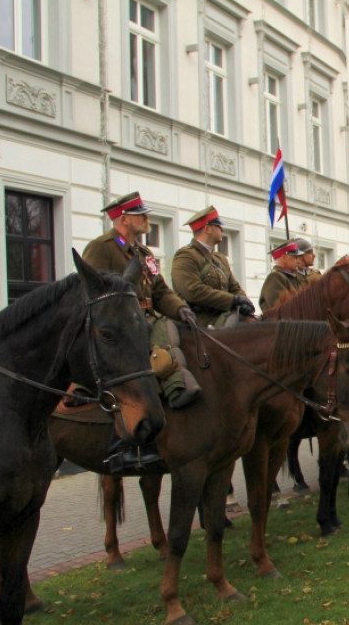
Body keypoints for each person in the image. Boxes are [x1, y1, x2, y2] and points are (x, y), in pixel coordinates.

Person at [82, 192, 198, 474]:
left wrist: (181, 308)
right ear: (123, 219)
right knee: (141, 373)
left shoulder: (145, 255)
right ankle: (122, 446)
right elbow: (91, 293)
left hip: (147, 322)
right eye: (141, 215)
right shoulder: (101, 249)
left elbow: (160, 291)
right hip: (120, 330)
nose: (147, 219)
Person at [171, 206, 254, 328]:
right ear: (207, 229)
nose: (222, 229)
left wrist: (244, 301)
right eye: (218, 226)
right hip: (200, 322)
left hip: (225, 317)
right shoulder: (186, 256)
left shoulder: (220, 259)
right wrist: (233, 300)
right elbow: (192, 291)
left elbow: (234, 287)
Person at [259, 240, 303, 312]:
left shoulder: (291, 277)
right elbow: (283, 309)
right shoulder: (275, 278)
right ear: (285, 258)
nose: (298, 261)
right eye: (295, 257)